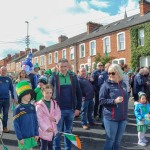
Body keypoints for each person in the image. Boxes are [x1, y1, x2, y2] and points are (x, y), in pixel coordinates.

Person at [50, 58, 82, 150]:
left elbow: (79, 93)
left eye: (65, 66)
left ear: (68, 67)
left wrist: (78, 108)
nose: (63, 68)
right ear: (57, 67)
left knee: (69, 132)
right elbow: (48, 93)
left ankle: (68, 148)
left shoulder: (73, 77)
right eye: (61, 67)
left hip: (70, 110)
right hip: (57, 111)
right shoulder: (53, 77)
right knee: (57, 133)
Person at [99, 64, 129, 150]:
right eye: (109, 73)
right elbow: (101, 101)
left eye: (113, 73)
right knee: (110, 140)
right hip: (111, 118)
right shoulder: (105, 85)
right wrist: (114, 101)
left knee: (118, 141)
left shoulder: (123, 84)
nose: (110, 75)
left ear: (118, 73)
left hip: (123, 117)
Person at [13, 81, 38, 150]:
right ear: (21, 95)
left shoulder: (32, 107)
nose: (29, 96)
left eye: (30, 94)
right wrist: (19, 138)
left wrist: (36, 133)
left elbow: (35, 121)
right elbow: (16, 124)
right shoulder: (18, 109)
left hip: (32, 136)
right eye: (27, 94)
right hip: (23, 138)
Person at [36, 84, 61, 150]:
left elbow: (58, 112)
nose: (49, 95)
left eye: (50, 93)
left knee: (51, 146)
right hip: (44, 130)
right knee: (43, 146)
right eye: (47, 93)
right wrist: (46, 128)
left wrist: (55, 119)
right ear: (42, 92)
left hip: (53, 129)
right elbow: (39, 119)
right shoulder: (39, 105)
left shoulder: (54, 103)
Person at [0, 66, 14, 133]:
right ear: (0, 70)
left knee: (5, 114)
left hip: (6, 100)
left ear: (6, 71)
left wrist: (13, 97)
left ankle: (4, 127)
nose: (3, 71)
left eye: (5, 70)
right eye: (2, 70)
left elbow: (11, 89)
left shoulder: (9, 79)